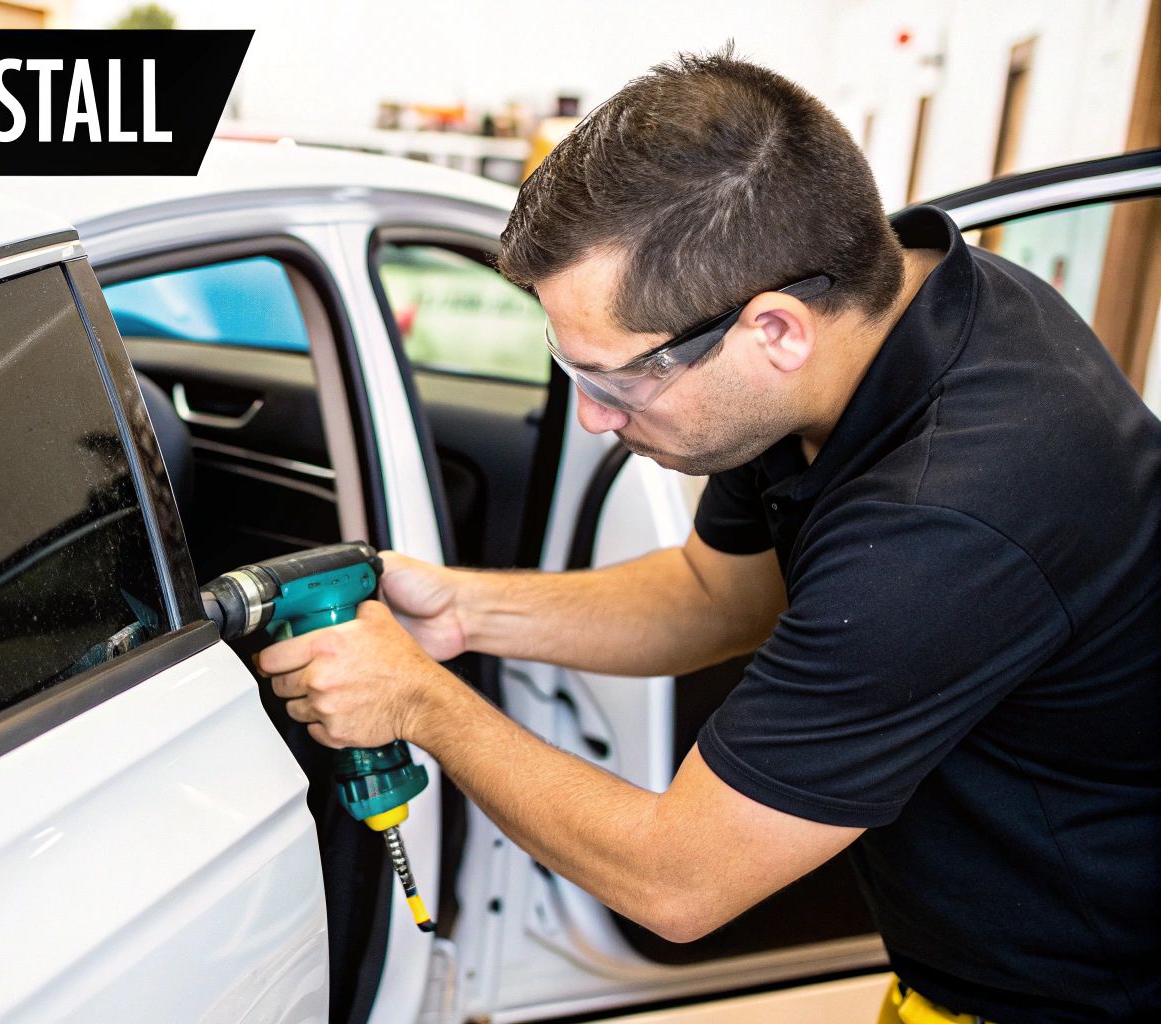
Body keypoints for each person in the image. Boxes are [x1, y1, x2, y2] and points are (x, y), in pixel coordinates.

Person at [256, 51, 1160, 1024]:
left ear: (772, 332)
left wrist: (419, 701)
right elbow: (713, 595)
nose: (595, 419)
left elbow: (674, 881)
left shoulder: (943, 524)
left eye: (614, 381)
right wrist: (462, 612)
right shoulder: (885, 309)